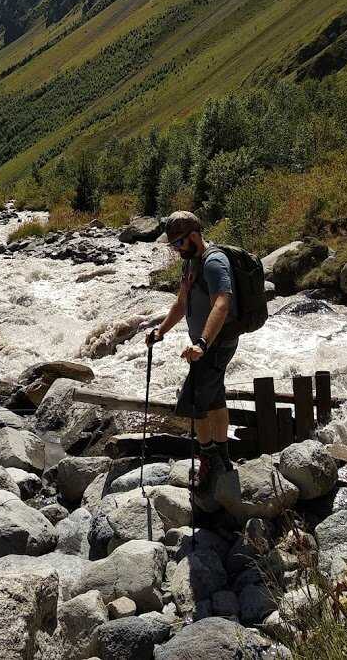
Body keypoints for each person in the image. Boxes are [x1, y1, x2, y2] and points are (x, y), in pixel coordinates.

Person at [146, 211, 239, 492]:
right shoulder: (190, 265)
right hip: (207, 345)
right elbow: (181, 304)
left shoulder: (214, 263)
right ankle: (222, 457)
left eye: (178, 244)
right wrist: (160, 331)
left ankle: (208, 460)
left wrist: (202, 343)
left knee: (193, 406)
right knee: (214, 400)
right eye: (173, 245)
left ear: (194, 237)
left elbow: (222, 304)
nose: (176, 250)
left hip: (214, 345)